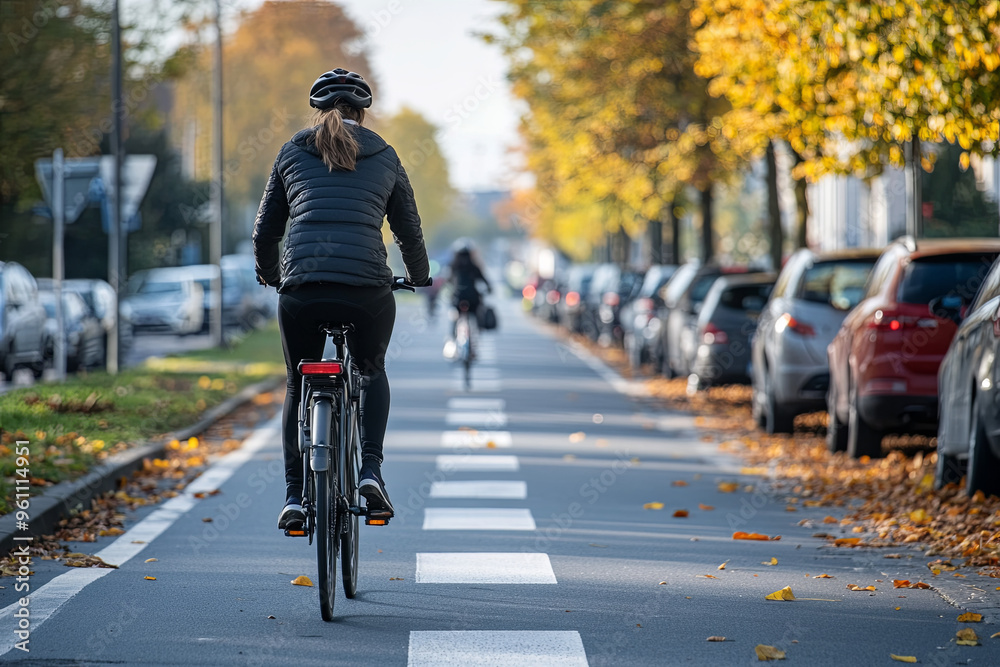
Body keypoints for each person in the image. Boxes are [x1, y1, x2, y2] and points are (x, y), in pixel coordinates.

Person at [252, 68, 429, 531]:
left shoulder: (292, 151)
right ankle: (370, 470)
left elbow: (266, 230)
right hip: (366, 289)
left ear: (317, 110)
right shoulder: (385, 154)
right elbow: (408, 228)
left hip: (302, 292)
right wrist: (419, 276)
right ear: (363, 113)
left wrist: (272, 276)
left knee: (297, 381)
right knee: (371, 371)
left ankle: (294, 495)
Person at [446, 239, 492, 328]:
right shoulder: (474, 267)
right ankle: (478, 328)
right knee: (476, 314)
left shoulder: (454, 267)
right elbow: (483, 279)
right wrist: (489, 288)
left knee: (454, 316)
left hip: (457, 297)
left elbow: (448, 280)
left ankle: (453, 333)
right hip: (473, 298)